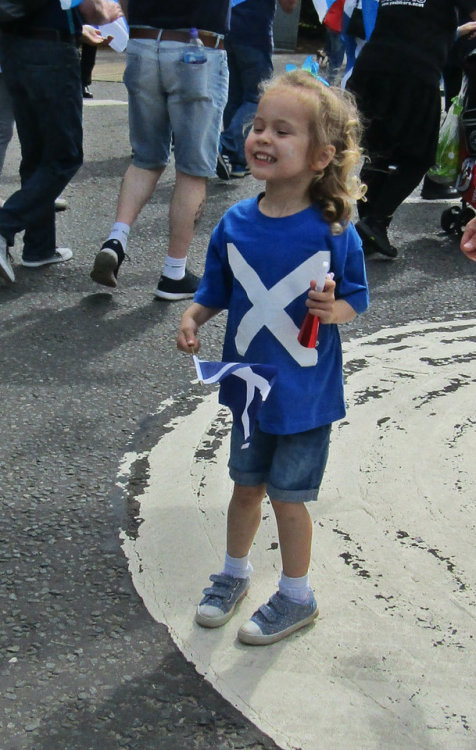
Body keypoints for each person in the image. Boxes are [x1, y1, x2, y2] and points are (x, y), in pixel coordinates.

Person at [177, 69, 369, 645]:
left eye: (282, 130)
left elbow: (355, 301)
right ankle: (233, 574)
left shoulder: (334, 230)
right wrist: (193, 316)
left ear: (320, 156)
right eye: (258, 125)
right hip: (247, 388)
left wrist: (335, 309)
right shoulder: (235, 222)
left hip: (305, 394)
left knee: (288, 499)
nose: (261, 137)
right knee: (243, 487)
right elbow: (216, 288)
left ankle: (296, 595)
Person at [90, 1, 231, 301]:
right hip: (198, 48)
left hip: (143, 42)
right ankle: (173, 273)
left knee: (146, 158)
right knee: (193, 170)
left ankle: (116, 239)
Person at [0, 0, 122, 284]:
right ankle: (5, 225)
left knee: (36, 154)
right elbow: (93, 9)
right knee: (64, 155)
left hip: (12, 48)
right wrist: (112, 12)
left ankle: (39, 247)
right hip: (52, 50)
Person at [346, 2, 476, 260]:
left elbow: (415, 24)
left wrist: (458, 31)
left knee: (378, 152)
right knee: (419, 157)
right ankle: (376, 222)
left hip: (370, 68)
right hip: (413, 74)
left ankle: (369, 228)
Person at [216, 0, 299, 181]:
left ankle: (238, 161)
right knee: (257, 98)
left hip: (227, 31)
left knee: (235, 98)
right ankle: (226, 144)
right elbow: (289, 5)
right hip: (255, 34)